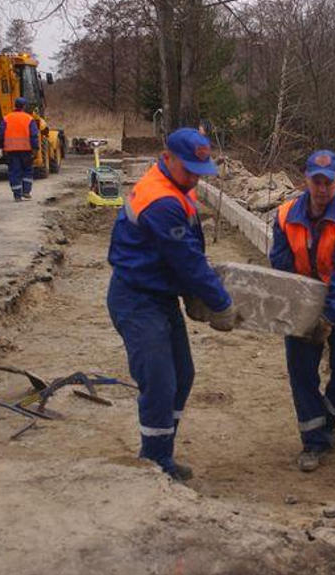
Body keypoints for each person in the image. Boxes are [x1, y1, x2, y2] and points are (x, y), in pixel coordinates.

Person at [107, 127, 239, 481]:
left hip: (158, 295)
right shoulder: (163, 201)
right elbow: (188, 261)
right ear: (167, 159)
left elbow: (185, 256)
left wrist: (190, 293)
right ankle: (154, 464)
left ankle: (162, 451)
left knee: (182, 375)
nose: (195, 180)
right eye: (189, 172)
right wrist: (220, 304)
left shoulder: (176, 186)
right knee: (161, 381)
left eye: (200, 173)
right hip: (136, 299)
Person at [269, 150, 335, 472]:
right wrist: (293, 304)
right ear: (307, 179)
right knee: (302, 373)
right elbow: (281, 264)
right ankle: (313, 442)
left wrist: (328, 318)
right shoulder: (285, 215)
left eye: (328, 182)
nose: (321, 188)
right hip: (302, 303)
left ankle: (328, 418)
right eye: (316, 180)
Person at [0, 97, 39, 202]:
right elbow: (34, 135)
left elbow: (0, 135)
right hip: (26, 150)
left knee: (14, 172)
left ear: (15, 106)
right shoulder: (28, 118)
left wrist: (2, 147)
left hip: (11, 150)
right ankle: (26, 192)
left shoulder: (7, 118)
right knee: (27, 171)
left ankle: (17, 196)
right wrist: (35, 148)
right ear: (24, 106)